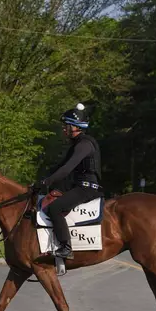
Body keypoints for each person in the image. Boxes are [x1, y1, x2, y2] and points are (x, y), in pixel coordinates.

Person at [34, 103, 103, 259]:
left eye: (66, 126)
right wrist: (41, 181)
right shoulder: (76, 144)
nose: (64, 129)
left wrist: (46, 182)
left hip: (87, 188)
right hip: (78, 186)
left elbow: (66, 169)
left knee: (55, 208)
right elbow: (59, 166)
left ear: (75, 127)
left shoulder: (84, 144)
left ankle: (66, 247)